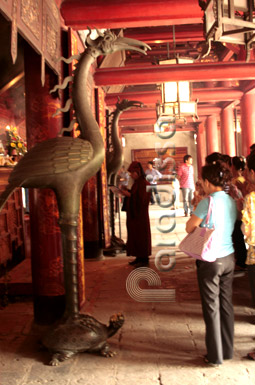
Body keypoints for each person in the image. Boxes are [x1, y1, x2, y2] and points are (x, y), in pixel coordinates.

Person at [185, 162, 237, 367]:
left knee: (211, 307)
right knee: (226, 304)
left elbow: (190, 227)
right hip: (229, 258)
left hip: (210, 259)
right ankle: (228, 349)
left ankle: (215, 356)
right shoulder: (231, 200)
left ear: (207, 181)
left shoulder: (207, 202)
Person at [120, 161, 151, 267]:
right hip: (135, 214)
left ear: (138, 172)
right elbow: (135, 194)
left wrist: (128, 194)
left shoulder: (145, 183)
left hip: (140, 215)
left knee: (141, 236)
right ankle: (138, 257)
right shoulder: (137, 183)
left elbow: (141, 200)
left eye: (133, 173)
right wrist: (128, 192)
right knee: (135, 235)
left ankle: (144, 258)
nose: (131, 175)